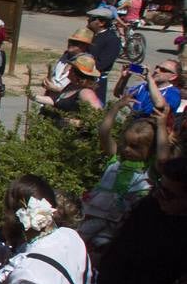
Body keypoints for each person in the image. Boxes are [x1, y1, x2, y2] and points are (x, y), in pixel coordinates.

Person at [78, 98, 154, 257]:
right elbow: (104, 132)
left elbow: (163, 155)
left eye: (135, 147)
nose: (127, 149)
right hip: (95, 214)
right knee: (79, 242)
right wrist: (115, 108)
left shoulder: (149, 168)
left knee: (106, 251)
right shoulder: (117, 159)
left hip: (118, 223)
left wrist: (160, 125)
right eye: (125, 143)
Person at [36, 53, 103, 120]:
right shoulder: (70, 86)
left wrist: (76, 123)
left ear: (76, 74)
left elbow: (98, 116)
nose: (69, 70)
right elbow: (55, 101)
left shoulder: (86, 93)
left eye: (71, 69)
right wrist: (32, 96)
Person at [114, 57, 181, 118]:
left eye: (163, 70)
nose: (156, 70)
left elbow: (159, 104)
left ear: (173, 77)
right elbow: (118, 94)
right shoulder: (144, 86)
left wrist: (150, 80)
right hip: (132, 127)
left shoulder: (174, 93)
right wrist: (124, 78)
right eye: (157, 67)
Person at [40, 27, 94, 97]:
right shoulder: (65, 55)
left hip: (67, 100)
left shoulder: (86, 61)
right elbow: (56, 75)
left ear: (85, 46)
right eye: (70, 41)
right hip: (51, 96)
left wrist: (57, 89)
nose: (70, 44)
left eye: (75, 43)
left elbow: (81, 87)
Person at [86, 5, 122, 102]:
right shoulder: (91, 35)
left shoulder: (112, 40)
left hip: (96, 80)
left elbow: (103, 64)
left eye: (92, 19)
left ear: (101, 22)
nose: (88, 20)